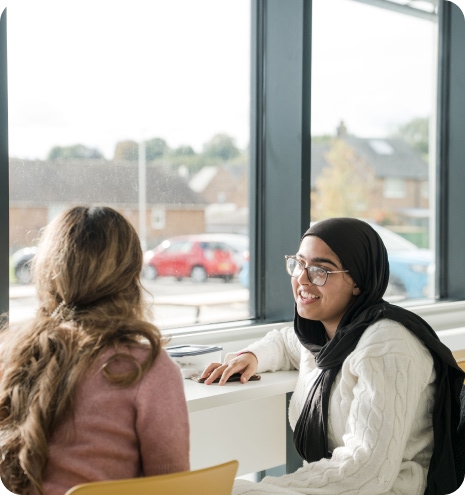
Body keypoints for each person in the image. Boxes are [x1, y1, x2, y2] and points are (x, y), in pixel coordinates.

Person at [201, 217, 465, 495]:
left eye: (320, 270)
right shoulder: (323, 334)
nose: (302, 278)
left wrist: (264, 488)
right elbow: (284, 342)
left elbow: (366, 473)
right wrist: (251, 356)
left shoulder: (386, 346)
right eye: (299, 263)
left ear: (358, 282)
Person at [0, 206, 190, 495]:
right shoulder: (146, 367)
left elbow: (11, 475)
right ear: (131, 277)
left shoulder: (16, 354)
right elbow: (174, 488)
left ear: (49, 273)